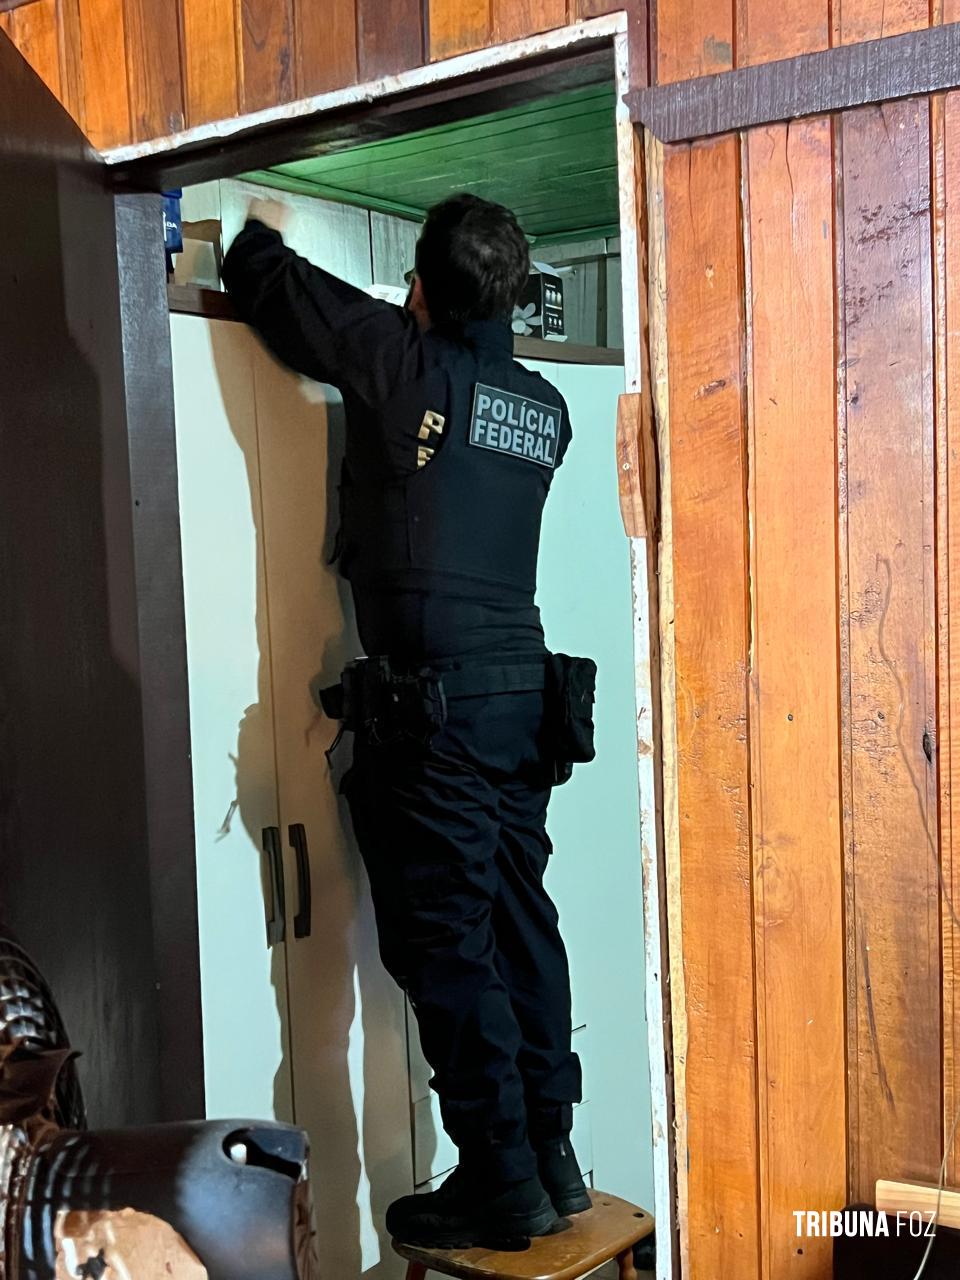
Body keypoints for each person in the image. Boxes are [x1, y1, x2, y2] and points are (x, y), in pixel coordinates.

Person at [222, 193, 589, 1249]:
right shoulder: (545, 408)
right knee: (522, 924)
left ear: (422, 287)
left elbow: (272, 286)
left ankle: (501, 1180)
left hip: (439, 713)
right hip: (522, 705)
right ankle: (551, 1153)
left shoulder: (403, 363)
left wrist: (255, 224)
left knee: (449, 945)